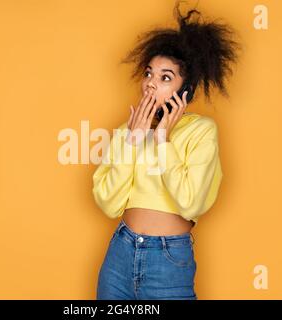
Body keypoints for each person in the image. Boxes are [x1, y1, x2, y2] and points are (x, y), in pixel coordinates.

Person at [92, 0, 242, 300]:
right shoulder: (128, 130)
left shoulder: (201, 131)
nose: (150, 84)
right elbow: (108, 203)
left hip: (168, 258)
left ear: (185, 91)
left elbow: (190, 203)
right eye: (149, 74)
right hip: (119, 253)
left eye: (165, 78)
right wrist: (133, 142)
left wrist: (162, 139)